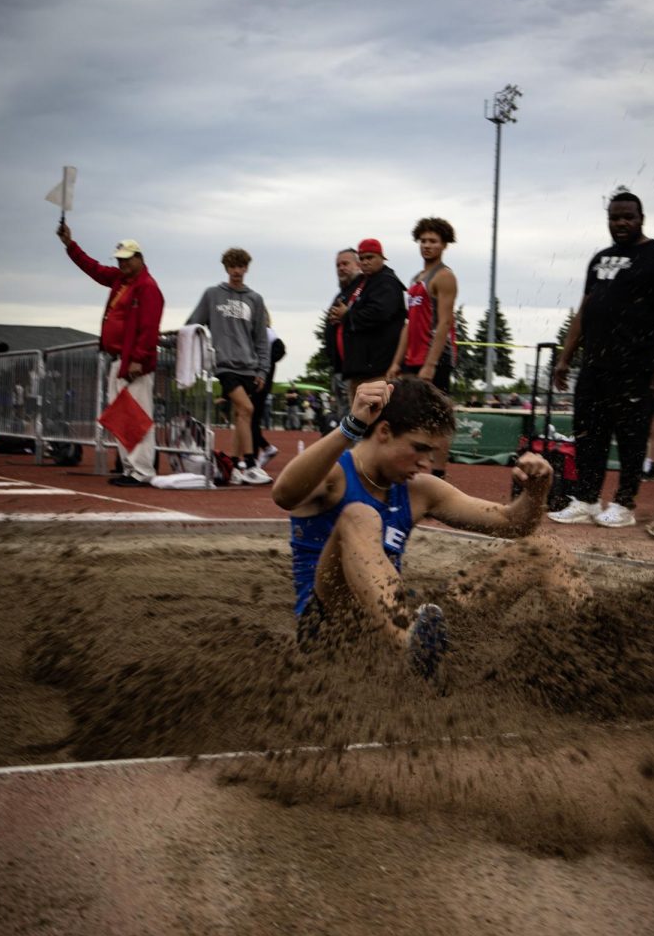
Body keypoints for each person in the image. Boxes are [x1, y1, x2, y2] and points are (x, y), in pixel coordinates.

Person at [271, 376, 585, 679]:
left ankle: (593, 653)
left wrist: (538, 490)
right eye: (419, 449)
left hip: (406, 623)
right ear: (383, 432)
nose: (426, 463)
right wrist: (351, 426)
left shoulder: (420, 489)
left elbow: (513, 524)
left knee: (545, 550)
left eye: (432, 454)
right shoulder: (334, 476)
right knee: (360, 515)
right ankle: (408, 645)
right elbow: (284, 494)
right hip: (330, 629)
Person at [548, 191, 654, 528]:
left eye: (628, 217)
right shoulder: (600, 259)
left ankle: (624, 504)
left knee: (631, 436)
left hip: (637, 365)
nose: (621, 223)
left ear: (642, 219)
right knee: (588, 434)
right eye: (614, 217)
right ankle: (586, 499)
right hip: (595, 365)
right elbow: (584, 310)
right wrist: (565, 358)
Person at [57, 225, 164, 486]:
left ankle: (142, 470)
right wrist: (71, 245)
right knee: (124, 417)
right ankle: (130, 468)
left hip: (133, 363)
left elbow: (149, 328)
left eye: (127, 259)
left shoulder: (147, 287)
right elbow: (93, 268)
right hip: (120, 360)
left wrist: (138, 358)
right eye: (120, 259)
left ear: (139, 258)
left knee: (136, 417)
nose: (122, 263)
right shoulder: (123, 281)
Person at [187, 248, 271, 485]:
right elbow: (194, 324)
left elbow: (261, 339)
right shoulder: (212, 294)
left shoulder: (255, 299)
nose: (236, 271)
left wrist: (262, 370)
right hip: (224, 365)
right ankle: (251, 465)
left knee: (239, 416)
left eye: (240, 266)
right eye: (232, 266)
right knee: (246, 410)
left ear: (246, 268)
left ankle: (232, 466)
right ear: (226, 268)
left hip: (249, 367)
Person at [388, 217, 458, 478]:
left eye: (433, 241)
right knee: (407, 413)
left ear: (444, 245)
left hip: (435, 356)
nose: (427, 245)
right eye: (423, 241)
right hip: (412, 355)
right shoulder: (417, 278)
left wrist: (431, 363)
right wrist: (397, 361)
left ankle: (437, 475)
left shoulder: (445, 277)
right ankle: (409, 470)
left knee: (437, 415)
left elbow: (444, 323)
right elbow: (409, 322)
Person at [328, 239, 406, 399]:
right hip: (360, 369)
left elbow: (379, 313)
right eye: (362, 258)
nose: (365, 262)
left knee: (376, 418)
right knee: (359, 419)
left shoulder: (386, 282)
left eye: (370, 258)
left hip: (378, 369)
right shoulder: (365, 283)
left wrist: (347, 315)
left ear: (382, 258)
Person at [325, 248, 363, 419]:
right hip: (340, 368)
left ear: (358, 264)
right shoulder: (341, 295)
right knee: (344, 418)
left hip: (356, 368)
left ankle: (356, 447)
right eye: (338, 265)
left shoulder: (363, 289)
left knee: (355, 419)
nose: (341, 268)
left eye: (345, 264)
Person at [251, 325, 286, 468]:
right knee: (249, 420)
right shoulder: (260, 332)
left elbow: (280, 349)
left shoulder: (266, 332)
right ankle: (257, 453)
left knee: (250, 420)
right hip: (258, 381)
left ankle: (255, 457)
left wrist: (263, 365)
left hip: (259, 383)